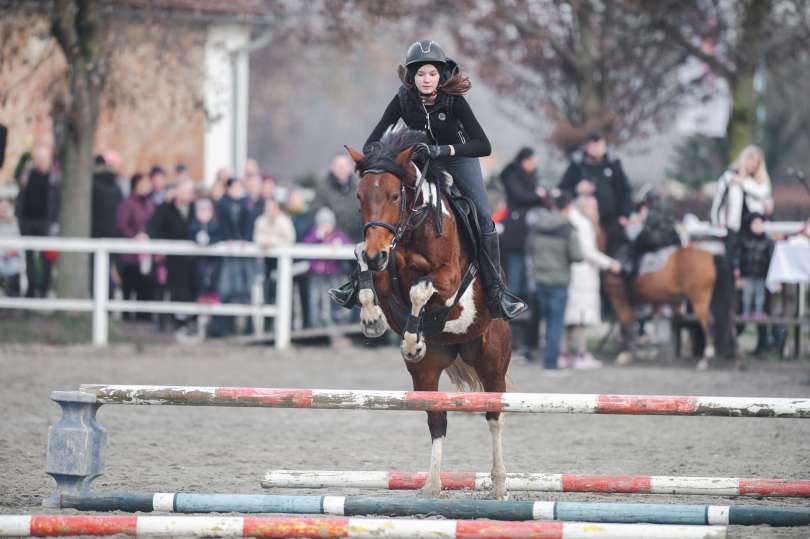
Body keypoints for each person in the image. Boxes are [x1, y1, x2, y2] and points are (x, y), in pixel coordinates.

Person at [334, 39, 526, 320]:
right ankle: (356, 283)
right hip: (419, 158)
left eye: (432, 74)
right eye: (421, 74)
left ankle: (497, 293)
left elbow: (483, 145)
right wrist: (385, 156)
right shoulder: (403, 100)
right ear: (412, 77)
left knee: (485, 215)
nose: (426, 79)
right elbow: (372, 140)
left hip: (458, 157)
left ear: (440, 75)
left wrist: (442, 149)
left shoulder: (454, 101)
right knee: (382, 204)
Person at [562, 196, 620, 369]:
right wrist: (610, 264)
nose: (596, 211)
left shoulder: (571, 220)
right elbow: (588, 252)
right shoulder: (584, 225)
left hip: (571, 273)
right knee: (580, 317)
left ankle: (564, 354)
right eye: (593, 207)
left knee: (569, 318)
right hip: (582, 276)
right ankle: (581, 354)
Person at [527, 191, 583, 370]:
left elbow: (528, 247)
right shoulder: (567, 227)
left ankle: (547, 357)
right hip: (559, 281)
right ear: (566, 207)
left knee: (546, 320)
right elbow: (577, 255)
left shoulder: (538, 225)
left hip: (540, 279)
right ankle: (551, 362)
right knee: (555, 322)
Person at [559, 131, 633, 258]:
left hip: (611, 222)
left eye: (601, 145)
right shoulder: (577, 166)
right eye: (594, 146)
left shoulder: (613, 165)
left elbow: (625, 190)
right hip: (584, 223)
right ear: (587, 147)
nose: (598, 149)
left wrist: (625, 214)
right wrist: (577, 189)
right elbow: (562, 191)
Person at [146, 178, 197, 331]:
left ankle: (183, 321)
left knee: (186, 290)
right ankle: (163, 321)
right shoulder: (165, 208)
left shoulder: (195, 209)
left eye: (190, 191)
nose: (188, 194)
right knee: (165, 289)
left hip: (188, 260)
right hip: (168, 259)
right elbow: (153, 228)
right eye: (185, 190)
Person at [710, 145, 771, 267]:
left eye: (757, 162)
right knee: (729, 264)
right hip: (733, 229)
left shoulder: (758, 180)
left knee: (753, 266)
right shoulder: (729, 176)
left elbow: (762, 192)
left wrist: (742, 182)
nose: (754, 165)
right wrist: (717, 222)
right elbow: (718, 202)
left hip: (753, 232)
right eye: (751, 160)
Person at [499, 147, 545, 295]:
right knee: (515, 269)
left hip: (527, 230)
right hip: (516, 231)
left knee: (525, 271)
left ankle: (525, 302)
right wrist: (538, 196)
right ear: (524, 160)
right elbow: (519, 196)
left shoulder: (531, 176)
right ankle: (513, 300)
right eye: (532, 161)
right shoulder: (513, 175)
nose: (534, 165)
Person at [16, 146, 60, 298]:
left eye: (44, 160)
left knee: (46, 257)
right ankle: (31, 288)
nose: (41, 163)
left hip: (45, 223)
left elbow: (56, 204)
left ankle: (44, 288)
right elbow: (20, 196)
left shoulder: (54, 179)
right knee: (28, 257)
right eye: (38, 159)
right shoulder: (27, 176)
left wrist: (54, 223)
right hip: (28, 222)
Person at [305, 208, 351, 340]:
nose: (325, 225)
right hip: (316, 274)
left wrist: (339, 244)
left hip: (333, 274)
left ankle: (336, 326)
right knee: (315, 300)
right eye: (322, 222)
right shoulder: (315, 234)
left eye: (327, 223)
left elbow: (346, 243)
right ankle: (316, 327)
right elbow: (306, 244)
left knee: (334, 300)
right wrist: (318, 236)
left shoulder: (337, 234)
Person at [116, 173, 155, 319]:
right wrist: (135, 237)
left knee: (145, 286)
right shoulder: (127, 203)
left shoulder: (150, 204)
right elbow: (122, 225)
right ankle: (127, 318)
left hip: (146, 254)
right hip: (130, 255)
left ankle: (143, 317)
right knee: (129, 286)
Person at [253, 194, 296, 305]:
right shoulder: (261, 220)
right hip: (265, 261)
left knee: (283, 291)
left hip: (281, 263)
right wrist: (265, 242)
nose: (269, 210)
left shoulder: (284, 221)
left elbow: (290, 239)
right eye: (267, 207)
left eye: (271, 207)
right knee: (266, 290)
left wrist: (271, 242)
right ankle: (267, 320)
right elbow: (257, 238)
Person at [312, 155, 363, 242]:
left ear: (350, 168)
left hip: (357, 237)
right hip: (331, 240)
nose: (341, 169)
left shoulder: (361, 187)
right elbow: (316, 210)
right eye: (338, 166)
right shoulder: (323, 188)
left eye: (344, 166)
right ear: (332, 168)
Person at [736, 213, 774, 321]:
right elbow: (739, 255)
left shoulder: (767, 241)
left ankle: (759, 312)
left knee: (760, 295)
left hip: (761, 273)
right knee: (747, 295)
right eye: (755, 224)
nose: (758, 226)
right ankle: (746, 312)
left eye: (760, 224)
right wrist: (737, 267)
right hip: (748, 273)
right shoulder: (745, 239)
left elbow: (770, 257)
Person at [0, 190, 22, 298]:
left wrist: (11, 252)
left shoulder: (13, 223)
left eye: (5, 209)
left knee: (14, 269)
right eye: (1, 209)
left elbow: (17, 243)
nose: (3, 211)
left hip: (11, 257)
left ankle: (13, 304)